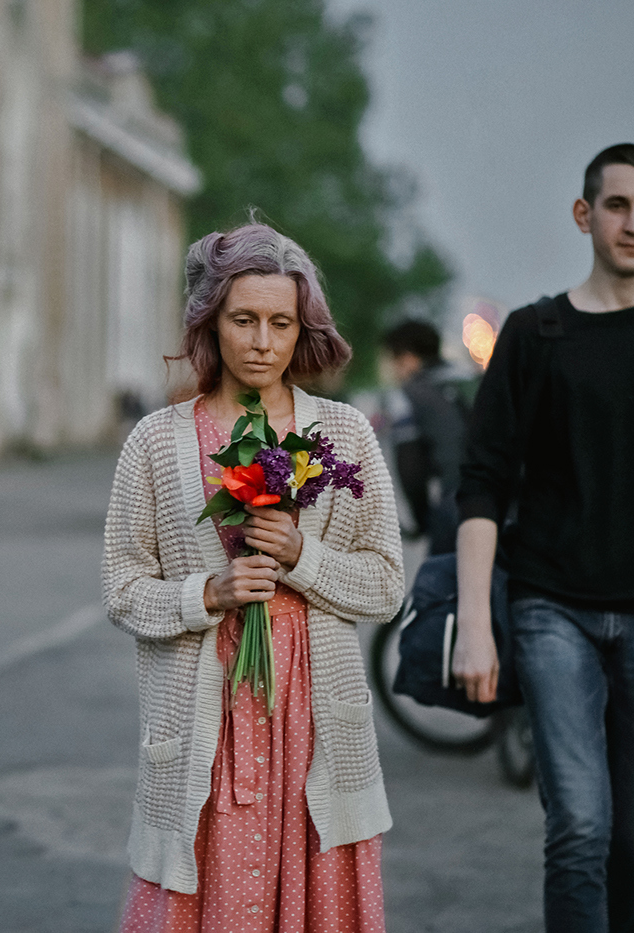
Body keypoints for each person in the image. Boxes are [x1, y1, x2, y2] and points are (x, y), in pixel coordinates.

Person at [452, 144, 634, 932]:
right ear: (585, 215)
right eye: (616, 205)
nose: (632, 222)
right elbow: (483, 482)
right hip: (552, 609)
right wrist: (478, 624)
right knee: (579, 824)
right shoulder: (536, 338)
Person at [103, 221, 404, 931]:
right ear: (212, 321)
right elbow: (121, 585)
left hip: (315, 724)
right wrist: (205, 593)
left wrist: (305, 557)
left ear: (303, 330)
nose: (263, 341)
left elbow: (387, 584)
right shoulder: (156, 441)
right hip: (206, 724)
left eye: (281, 322)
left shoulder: (344, 435)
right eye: (244, 319)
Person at [379, 320, 468, 555]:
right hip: (512, 499)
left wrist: (421, 520)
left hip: (457, 502)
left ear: (407, 358)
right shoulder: (472, 379)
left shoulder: (406, 396)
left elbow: (410, 467)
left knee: (440, 586)